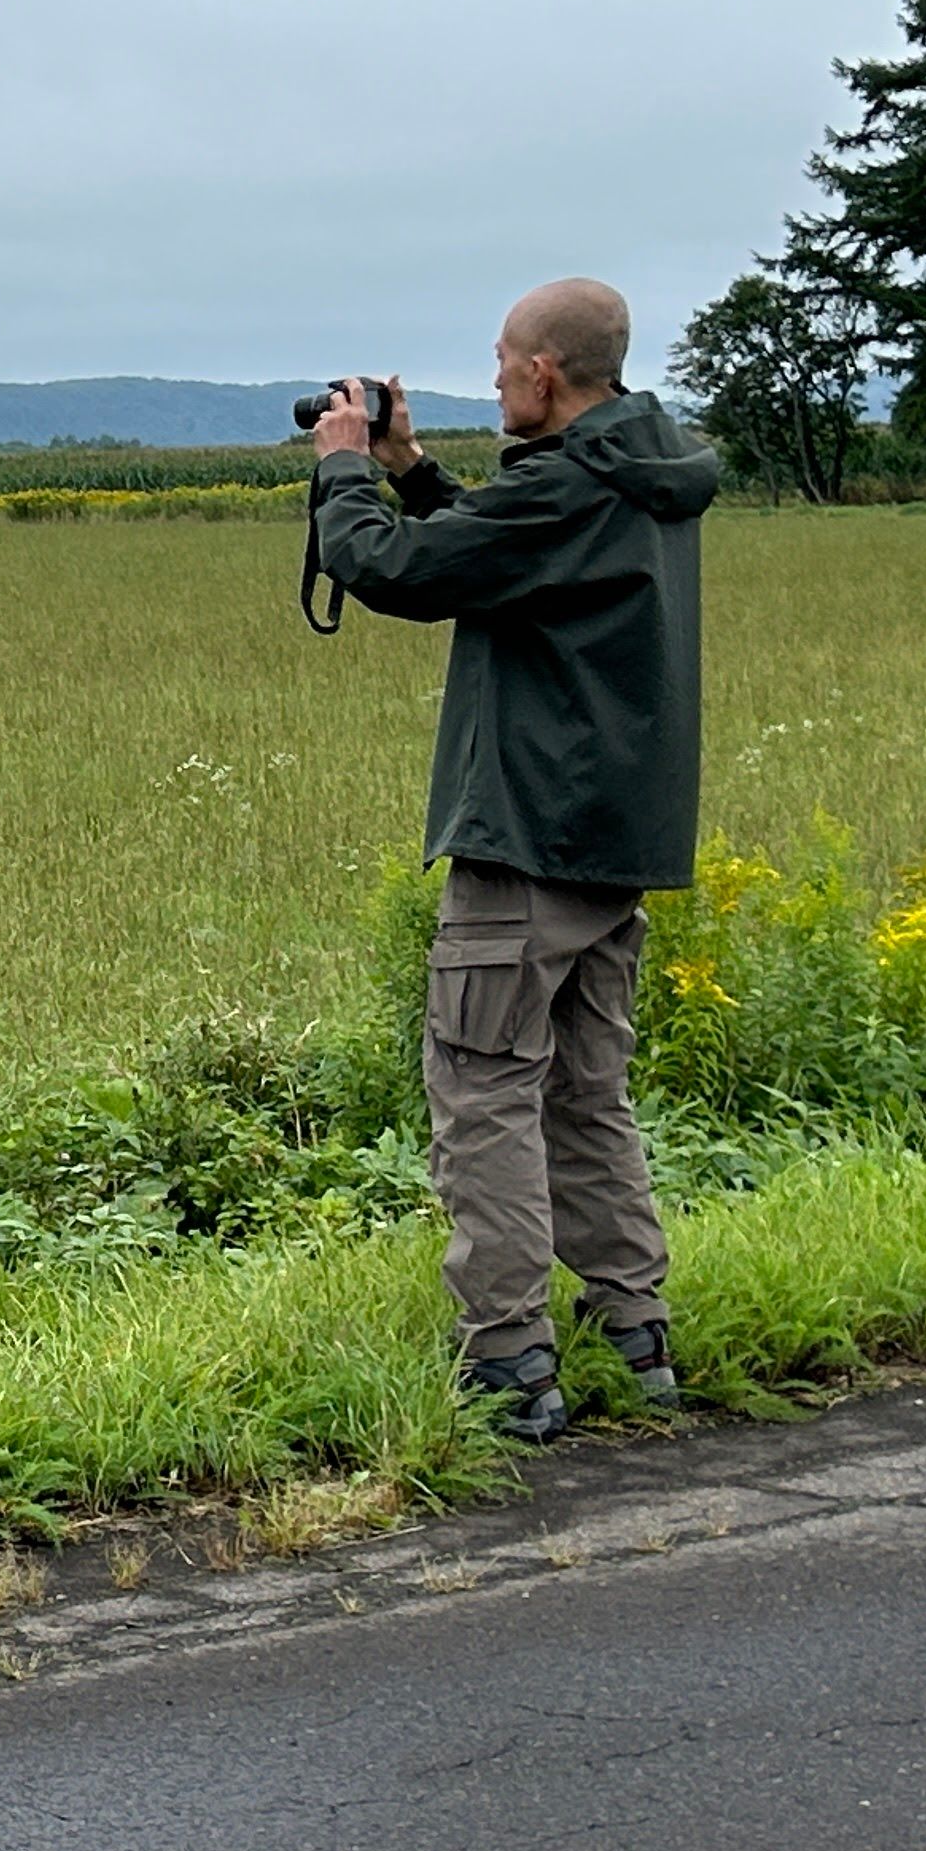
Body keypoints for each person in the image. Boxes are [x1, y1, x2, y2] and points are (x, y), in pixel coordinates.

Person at [307, 278, 721, 1443]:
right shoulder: (639, 471)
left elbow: (399, 571)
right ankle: (635, 1335)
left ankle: (507, 1362)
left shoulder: (562, 492)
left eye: (500, 364)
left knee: (481, 1090)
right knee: (587, 1094)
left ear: (545, 374)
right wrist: (414, 471)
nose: (493, 381)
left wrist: (346, 466)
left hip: (528, 836)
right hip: (612, 844)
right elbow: (501, 549)